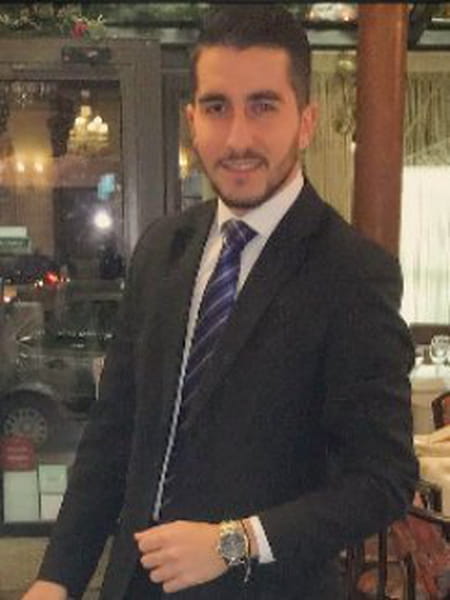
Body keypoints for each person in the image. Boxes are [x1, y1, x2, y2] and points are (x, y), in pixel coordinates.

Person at [23, 6, 418, 600]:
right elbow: (114, 434)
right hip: (134, 586)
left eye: (263, 106)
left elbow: (382, 479)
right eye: (216, 107)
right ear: (192, 120)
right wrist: (57, 577)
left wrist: (235, 542)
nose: (237, 139)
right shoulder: (163, 248)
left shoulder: (352, 273)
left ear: (306, 122)